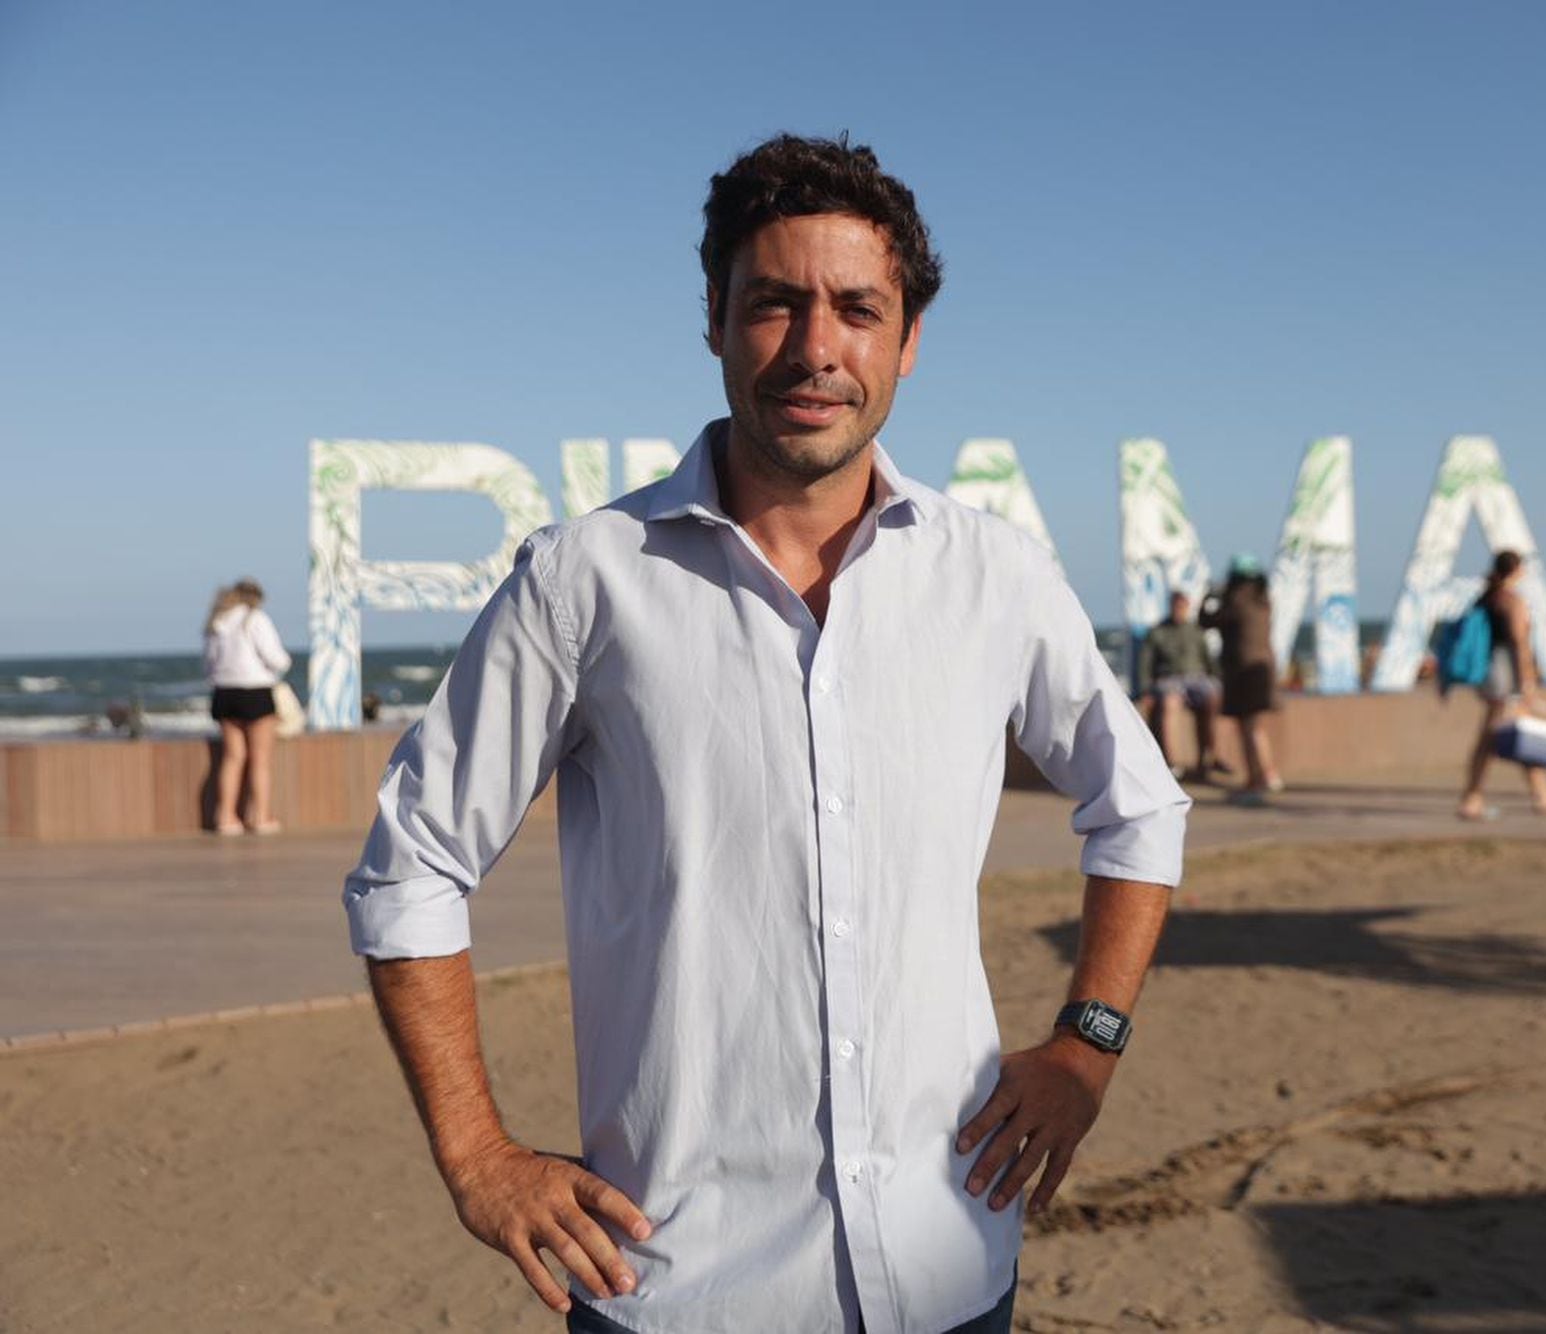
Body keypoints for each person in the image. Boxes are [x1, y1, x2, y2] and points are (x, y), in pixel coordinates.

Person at [342, 135, 1187, 1334]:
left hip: (949, 1270)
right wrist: (477, 1153)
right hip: (679, 1285)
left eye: (857, 309)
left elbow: (1138, 806)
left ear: (908, 338)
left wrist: (1085, 1045)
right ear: (714, 318)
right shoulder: (586, 580)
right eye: (774, 303)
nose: (814, 348)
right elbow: (411, 862)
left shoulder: (991, 574)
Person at [1457, 551, 1546, 821]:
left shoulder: (1487, 598)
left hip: (1489, 671)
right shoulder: (1511, 600)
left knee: (1514, 732)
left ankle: (1541, 793)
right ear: (1516, 569)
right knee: (1497, 736)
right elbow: (1520, 644)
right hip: (1505, 672)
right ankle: (1474, 799)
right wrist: (1528, 681)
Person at [203, 577, 290, 835]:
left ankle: (226, 816)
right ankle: (260, 816)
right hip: (255, 691)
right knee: (260, 759)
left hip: (224, 692)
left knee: (233, 757)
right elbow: (277, 659)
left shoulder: (217, 621)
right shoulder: (255, 619)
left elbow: (209, 662)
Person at [1202, 554, 1283, 804]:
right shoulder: (1263, 599)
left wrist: (1208, 597)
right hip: (1264, 668)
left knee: (1249, 728)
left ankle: (1258, 779)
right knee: (1256, 727)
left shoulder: (1237, 600)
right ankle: (1267, 774)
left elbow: (1206, 621)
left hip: (1244, 671)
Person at [1138, 590, 1225, 779]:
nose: (1180, 610)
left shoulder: (1196, 631)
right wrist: (1145, 690)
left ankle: (1209, 757)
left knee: (1213, 698)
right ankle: (1173, 762)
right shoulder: (1158, 631)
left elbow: (1209, 662)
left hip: (1196, 678)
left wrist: (1218, 680)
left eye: (1183, 607)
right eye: (1177, 606)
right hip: (1170, 679)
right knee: (1170, 703)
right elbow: (1145, 663)